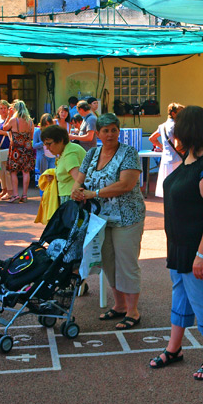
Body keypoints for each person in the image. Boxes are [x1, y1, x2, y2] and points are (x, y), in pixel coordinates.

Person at [149, 105, 203, 380]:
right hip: (180, 245)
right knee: (181, 296)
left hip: (198, 247)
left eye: (178, 127)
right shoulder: (191, 156)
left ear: (189, 129)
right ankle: (174, 349)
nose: (175, 133)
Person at [71, 113, 145, 330]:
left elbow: (126, 184)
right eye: (106, 130)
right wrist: (77, 191)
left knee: (127, 263)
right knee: (109, 262)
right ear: (99, 133)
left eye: (114, 129)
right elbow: (79, 180)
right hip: (101, 219)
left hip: (127, 217)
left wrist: (93, 193)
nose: (110, 134)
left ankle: (133, 311)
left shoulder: (128, 153)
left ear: (118, 131)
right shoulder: (92, 153)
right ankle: (120, 305)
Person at [41, 125, 86, 204]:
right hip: (69, 197)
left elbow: (79, 180)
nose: (47, 148)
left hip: (72, 200)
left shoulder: (69, 153)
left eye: (49, 144)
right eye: (45, 145)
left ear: (60, 140)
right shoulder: (65, 151)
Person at [148, 103, 183, 198]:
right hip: (177, 160)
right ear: (173, 113)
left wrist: (162, 147)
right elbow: (178, 146)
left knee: (167, 189)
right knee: (178, 189)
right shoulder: (176, 126)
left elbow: (152, 138)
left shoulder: (162, 126)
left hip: (165, 160)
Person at [4, 100, 35, 203]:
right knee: (26, 171)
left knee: (13, 172)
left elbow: (4, 128)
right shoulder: (30, 121)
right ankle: (25, 195)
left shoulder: (14, 120)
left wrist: (8, 116)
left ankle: (16, 195)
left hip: (16, 149)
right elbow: (32, 136)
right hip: (27, 148)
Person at [0, 100, 13, 201]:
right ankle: (3, 190)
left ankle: (10, 191)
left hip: (7, 146)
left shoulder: (10, 119)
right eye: (1, 108)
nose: (3, 110)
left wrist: (3, 132)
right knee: (0, 171)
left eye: (5, 108)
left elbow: (9, 132)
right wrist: (4, 132)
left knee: (7, 171)